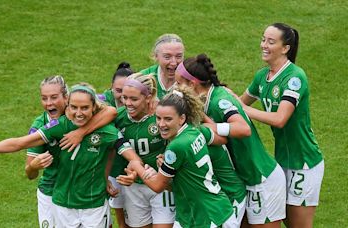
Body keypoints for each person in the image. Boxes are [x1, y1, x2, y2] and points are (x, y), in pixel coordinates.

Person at [0, 83, 141, 228]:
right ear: (67, 106)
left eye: (84, 108)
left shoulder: (107, 131)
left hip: (94, 205)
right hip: (62, 205)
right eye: (73, 107)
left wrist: (134, 171)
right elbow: (21, 142)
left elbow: (131, 155)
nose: (78, 113)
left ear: (94, 108)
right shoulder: (59, 126)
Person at [175, 54, 286, 227]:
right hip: (244, 179)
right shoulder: (205, 101)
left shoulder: (220, 100)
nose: (176, 87)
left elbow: (243, 129)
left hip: (260, 178)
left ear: (192, 84)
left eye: (178, 83)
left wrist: (214, 128)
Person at [239, 23, 324, 228]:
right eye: (263, 39)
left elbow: (280, 119)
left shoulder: (295, 78)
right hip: (281, 161)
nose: (264, 45)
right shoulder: (262, 76)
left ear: (285, 48)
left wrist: (244, 111)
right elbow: (239, 104)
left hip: (303, 162)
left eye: (271, 41)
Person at [124, 85, 238, 228]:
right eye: (158, 118)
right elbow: (184, 180)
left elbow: (158, 186)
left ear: (182, 118)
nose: (161, 124)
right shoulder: (194, 131)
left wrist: (136, 165)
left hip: (207, 217)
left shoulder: (176, 147)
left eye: (168, 119)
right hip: (204, 211)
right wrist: (159, 171)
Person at [114, 72, 174, 228]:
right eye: (124, 97)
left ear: (149, 97)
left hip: (162, 184)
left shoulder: (161, 115)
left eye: (134, 99)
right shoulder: (118, 117)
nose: (127, 103)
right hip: (134, 186)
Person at [140, 34, 184, 100]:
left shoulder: (190, 81)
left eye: (178, 56)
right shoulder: (143, 78)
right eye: (167, 57)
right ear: (156, 56)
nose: (174, 63)